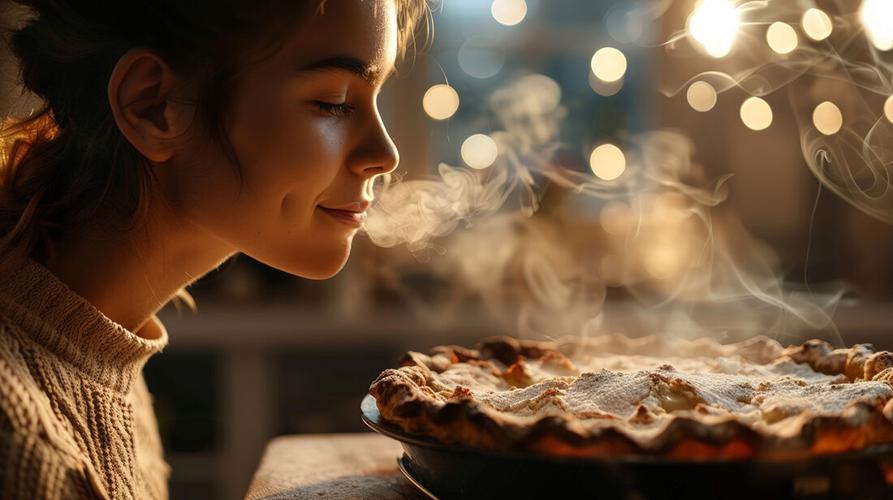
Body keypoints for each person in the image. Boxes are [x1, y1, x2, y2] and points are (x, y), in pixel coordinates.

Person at [0, 0, 429, 497]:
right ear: (154, 106)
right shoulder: (22, 445)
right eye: (333, 101)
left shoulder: (104, 357)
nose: (387, 154)